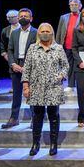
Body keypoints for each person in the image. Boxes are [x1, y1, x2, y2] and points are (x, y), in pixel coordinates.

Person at [22, 23, 69, 156]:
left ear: (52, 33)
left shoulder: (58, 48)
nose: (45, 33)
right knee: (37, 116)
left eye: (47, 31)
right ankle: (35, 143)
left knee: (54, 116)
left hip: (53, 87)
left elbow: (66, 66)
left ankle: (53, 144)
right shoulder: (32, 48)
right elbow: (27, 68)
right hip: (36, 87)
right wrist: (26, 86)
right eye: (42, 31)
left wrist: (60, 76)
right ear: (38, 33)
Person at [2, 8, 37, 129]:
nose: (23, 18)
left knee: (32, 94)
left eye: (25, 16)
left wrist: (27, 66)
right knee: (16, 94)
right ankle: (14, 118)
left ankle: (35, 118)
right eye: (21, 16)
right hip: (16, 65)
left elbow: (38, 51)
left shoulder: (36, 33)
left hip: (31, 66)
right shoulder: (14, 33)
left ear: (31, 18)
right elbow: (10, 50)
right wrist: (12, 64)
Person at [55, 0, 82, 93]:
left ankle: (80, 85)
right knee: (69, 65)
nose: (73, 6)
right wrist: (57, 45)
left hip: (79, 46)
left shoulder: (83, 16)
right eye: (71, 5)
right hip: (67, 45)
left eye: (75, 4)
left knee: (78, 66)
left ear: (80, 6)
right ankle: (71, 85)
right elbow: (59, 32)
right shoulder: (64, 17)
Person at [0, 9, 20, 94]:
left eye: (13, 17)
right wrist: (4, 53)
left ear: (18, 18)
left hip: (23, 52)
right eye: (9, 17)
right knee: (12, 70)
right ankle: (14, 86)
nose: (11, 19)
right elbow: (2, 42)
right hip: (11, 53)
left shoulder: (23, 27)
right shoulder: (5, 30)